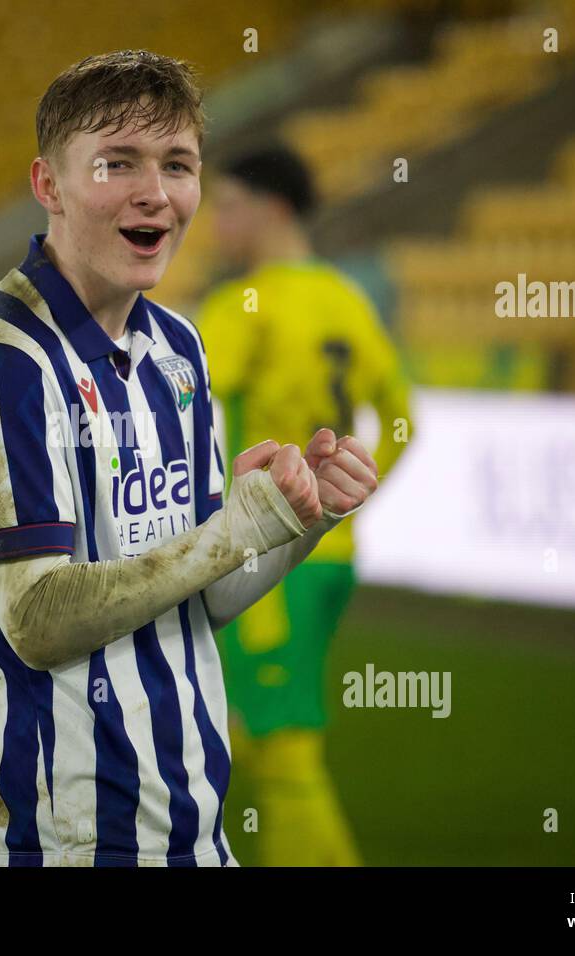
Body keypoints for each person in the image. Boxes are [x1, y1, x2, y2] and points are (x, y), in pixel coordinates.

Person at [0, 50, 381, 866]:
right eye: (117, 163)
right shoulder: (4, 363)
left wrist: (295, 521)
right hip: (65, 840)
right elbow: (35, 621)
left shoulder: (179, 347)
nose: (155, 193)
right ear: (48, 185)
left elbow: (195, 602)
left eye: (178, 165)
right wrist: (225, 532)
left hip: (191, 829)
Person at [198, 146, 413, 866]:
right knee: (241, 728)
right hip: (331, 555)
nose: (214, 220)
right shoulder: (348, 299)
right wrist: (349, 501)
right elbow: (405, 416)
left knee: (283, 746)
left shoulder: (242, 307)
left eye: (228, 205)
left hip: (268, 566)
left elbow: (182, 412)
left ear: (273, 208)